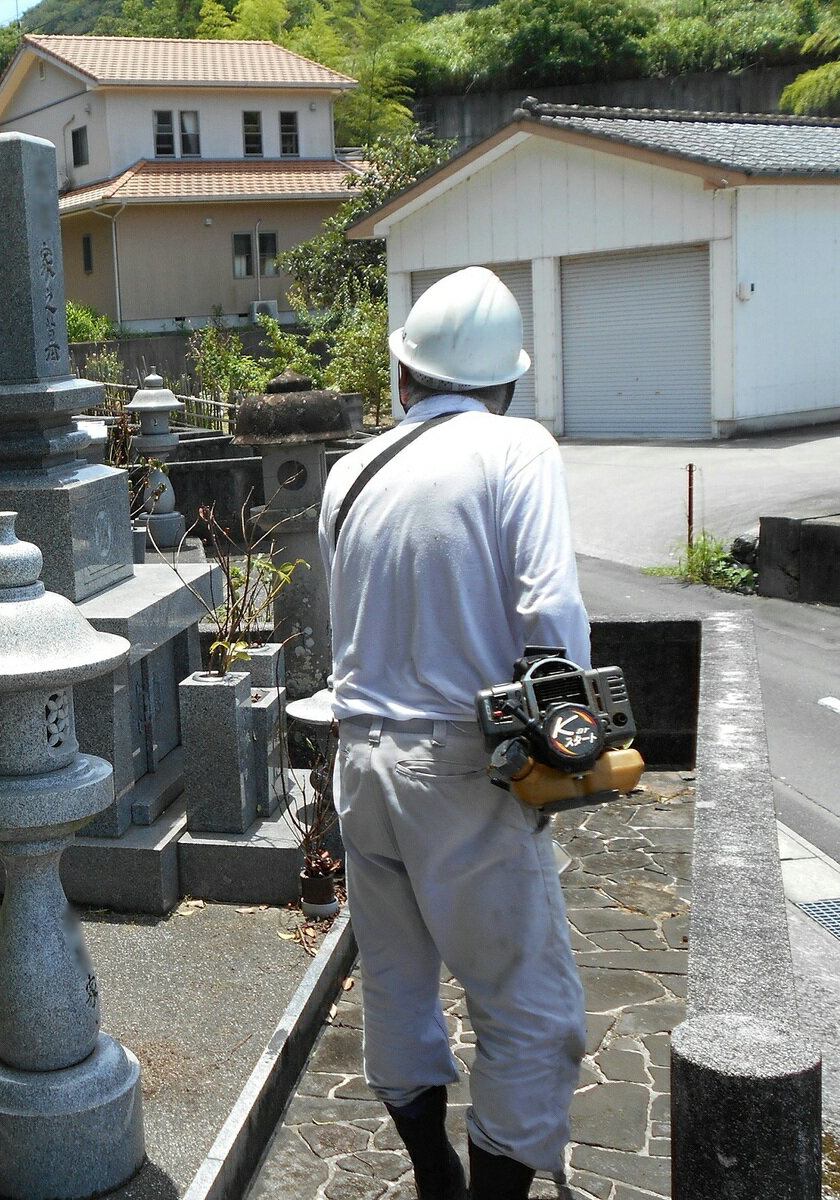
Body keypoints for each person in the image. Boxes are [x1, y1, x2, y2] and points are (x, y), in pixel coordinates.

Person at [315, 266, 588, 1200]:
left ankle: (435, 1179)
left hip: (361, 763)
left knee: (396, 981)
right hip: (459, 767)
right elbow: (550, 612)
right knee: (528, 1007)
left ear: (403, 379)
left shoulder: (350, 474)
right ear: (505, 385)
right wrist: (569, 741)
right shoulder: (518, 449)